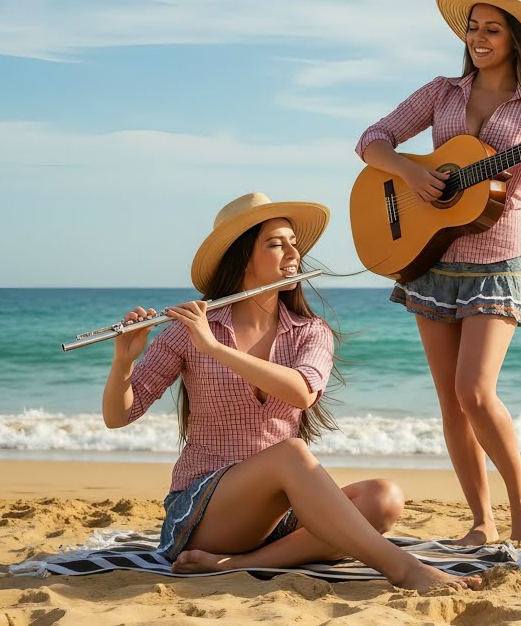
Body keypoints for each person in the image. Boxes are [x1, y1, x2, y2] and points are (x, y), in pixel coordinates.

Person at [102, 192, 478, 593]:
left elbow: (302, 392)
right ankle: (403, 569)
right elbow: (119, 415)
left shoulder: (310, 332)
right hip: (204, 514)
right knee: (292, 454)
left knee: (384, 498)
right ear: (242, 256)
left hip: (277, 518)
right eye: (275, 243)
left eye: (293, 243)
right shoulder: (190, 329)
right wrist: (124, 360)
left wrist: (216, 349)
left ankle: (237, 565)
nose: (292, 253)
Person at [354, 0, 521, 546]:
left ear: (515, 39)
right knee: (451, 404)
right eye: (473, 27)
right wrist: (411, 172)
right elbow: (373, 139)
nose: (479, 38)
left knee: (475, 393)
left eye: (492, 29)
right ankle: (480, 522)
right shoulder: (441, 92)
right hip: (430, 259)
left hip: (497, 258)